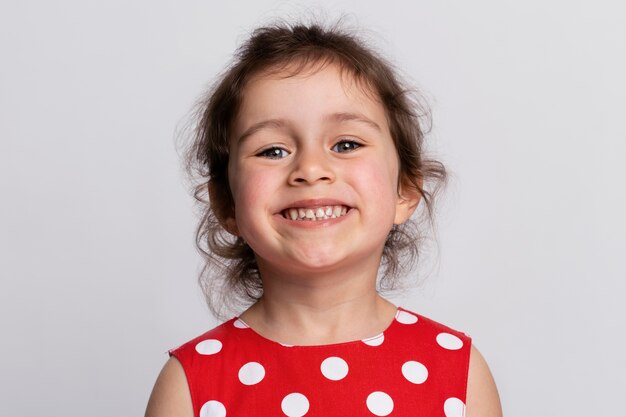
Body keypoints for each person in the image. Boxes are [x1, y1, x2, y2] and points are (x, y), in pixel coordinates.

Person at [145, 21, 502, 417]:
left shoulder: (457, 372)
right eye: (272, 151)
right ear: (227, 205)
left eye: (346, 144)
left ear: (404, 190)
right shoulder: (191, 384)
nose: (311, 169)